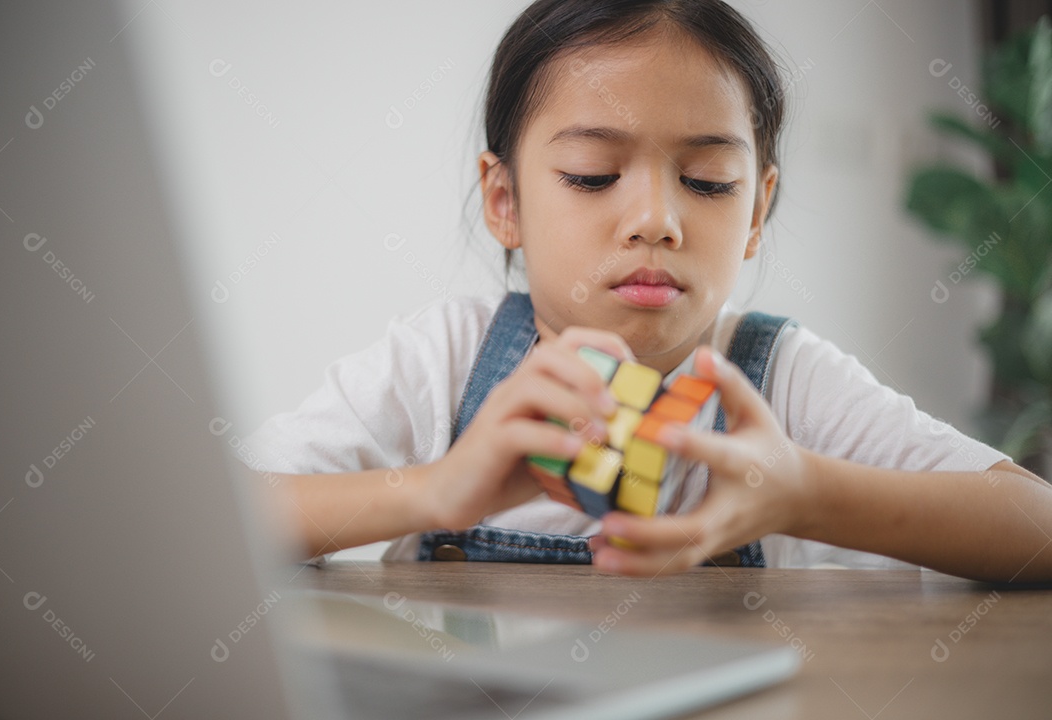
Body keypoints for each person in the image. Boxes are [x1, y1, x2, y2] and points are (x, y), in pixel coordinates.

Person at [244, 0, 1052, 581]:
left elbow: (1037, 528)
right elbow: (221, 520)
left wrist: (806, 494)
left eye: (706, 182)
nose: (658, 220)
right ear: (505, 201)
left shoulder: (783, 381)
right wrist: (432, 490)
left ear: (757, 209)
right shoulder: (444, 361)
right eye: (593, 175)